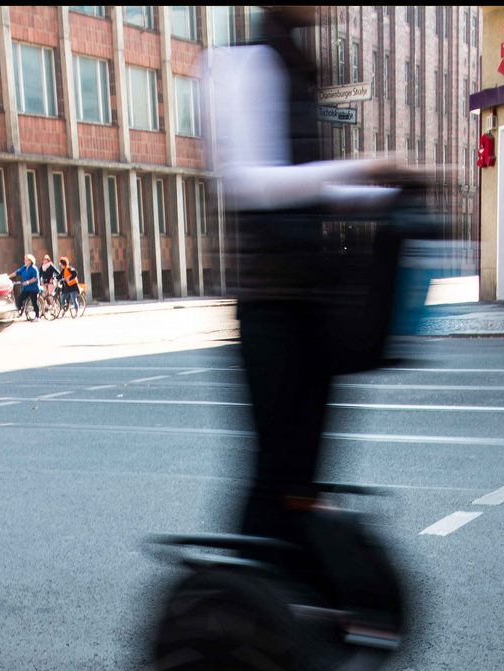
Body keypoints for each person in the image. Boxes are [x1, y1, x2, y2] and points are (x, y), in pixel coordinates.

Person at [214, 5, 405, 545]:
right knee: (276, 476)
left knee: (300, 479)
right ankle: (239, 607)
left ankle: (292, 606)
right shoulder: (242, 65)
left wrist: (390, 188)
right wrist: (365, 170)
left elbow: (310, 196)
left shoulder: (298, 68)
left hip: (311, 302)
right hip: (270, 307)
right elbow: (253, 185)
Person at [8, 254, 41, 320]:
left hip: (33, 288)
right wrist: (8, 276)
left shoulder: (33, 268)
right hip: (26, 288)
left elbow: (35, 278)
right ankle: (20, 310)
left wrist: (27, 282)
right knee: (20, 299)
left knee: (34, 302)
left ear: (30, 261)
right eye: (25, 260)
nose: (25, 261)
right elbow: (17, 272)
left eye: (27, 260)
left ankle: (37, 316)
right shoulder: (24, 267)